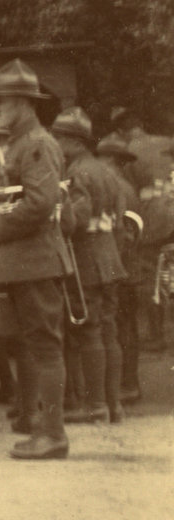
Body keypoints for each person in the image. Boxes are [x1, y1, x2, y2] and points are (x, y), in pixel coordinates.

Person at [0, 60, 72, 460]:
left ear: (21, 102)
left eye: (1, 102)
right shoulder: (21, 144)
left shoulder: (36, 144)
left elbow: (40, 203)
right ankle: (44, 428)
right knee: (36, 346)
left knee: (46, 348)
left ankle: (52, 433)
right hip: (23, 263)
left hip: (34, 261)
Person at [51, 107, 125, 424]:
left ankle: (95, 405)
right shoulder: (107, 171)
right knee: (109, 332)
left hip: (88, 260)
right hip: (110, 258)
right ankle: (113, 405)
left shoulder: (77, 173)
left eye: (60, 139)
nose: (56, 144)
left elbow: (75, 222)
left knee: (91, 332)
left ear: (75, 142)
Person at [101, 107, 174, 351]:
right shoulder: (167, 141)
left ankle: (157, 335)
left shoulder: (128, 152)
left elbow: (128, 194)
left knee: (152, 277)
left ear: (121, 130)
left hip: (155, 221)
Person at [97, 135, 142, 405]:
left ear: (111, 160)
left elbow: (125, 235)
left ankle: (126, 385)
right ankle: (129, 384)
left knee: (119, 327)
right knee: (126, 327)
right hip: (128, 268)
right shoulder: (125, 186)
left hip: (120, 269)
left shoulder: (117, 187)